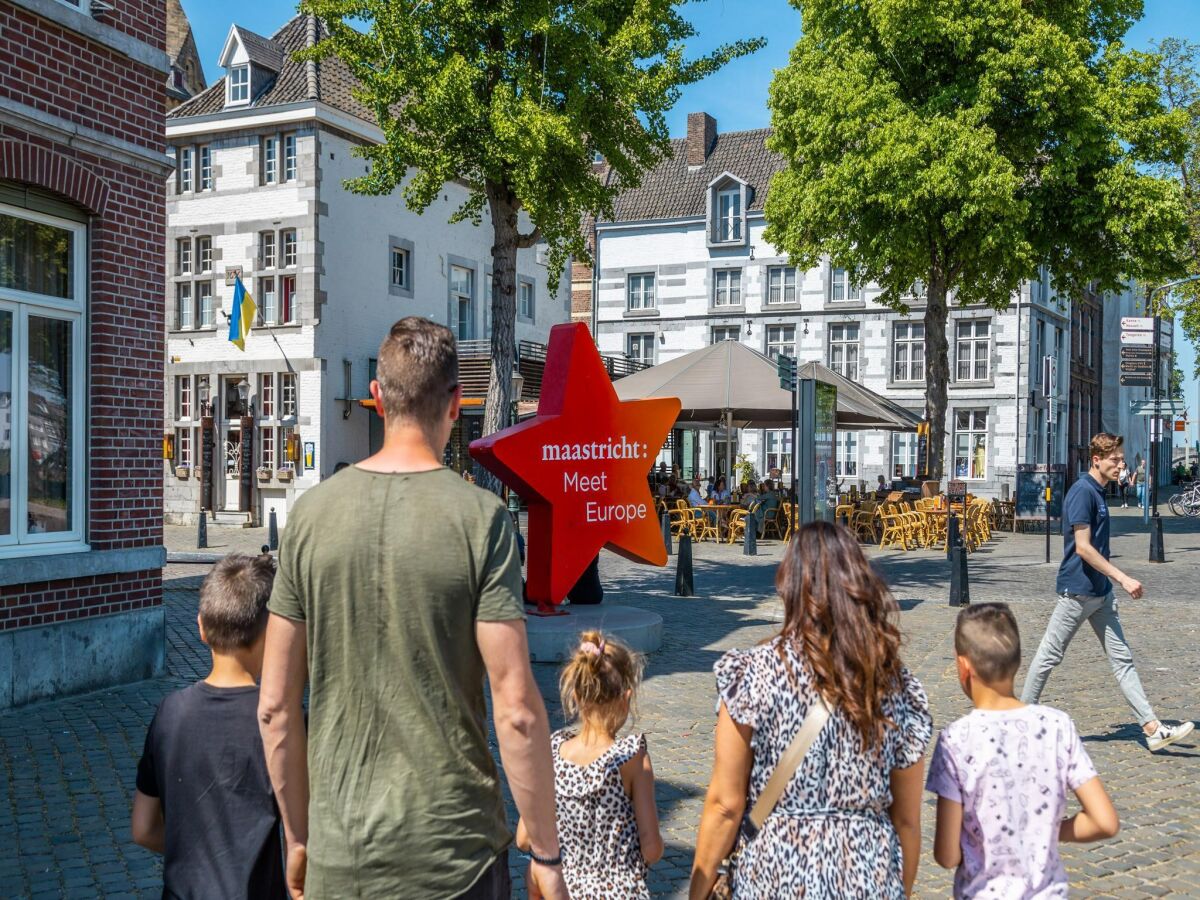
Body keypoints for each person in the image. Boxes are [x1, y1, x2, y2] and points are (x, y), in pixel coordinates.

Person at [258, 318, 567, 900]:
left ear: (377, 398)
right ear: (456, 403)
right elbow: (517, 708)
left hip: (341, 850)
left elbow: (275, 707)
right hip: (455, 853)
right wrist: (546, 852)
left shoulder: (309, 518)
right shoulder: (481, 520)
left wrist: (298, 838)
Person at [689, 522, 932, 899]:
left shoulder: (753, 674)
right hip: (866, 873)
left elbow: (725, 804)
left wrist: (698, 890)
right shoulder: (893, 685)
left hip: (776, 873)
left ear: (789, 585)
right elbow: (906, 819)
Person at [928, 604, 1119, 898]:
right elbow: (1104, 821)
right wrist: (1047, 831)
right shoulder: (1058, 726)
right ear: (1017, 662)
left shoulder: (956, 740)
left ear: (964, 666)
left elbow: (947, 855)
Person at [1021, 433, 1195, 753]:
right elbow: (1084, 549)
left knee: (1123, 660)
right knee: (1048, 656)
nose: (1120, 465)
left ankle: (1152, 728)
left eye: (1121, 459)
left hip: (1100, 594)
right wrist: (1123, 578)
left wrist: (1110, 585)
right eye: (1114, 460)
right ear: (1096, 460)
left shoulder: (1100, 492)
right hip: (1077, 592)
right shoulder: (1082, 492)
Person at [131, 553, 286, 899]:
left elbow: (143, 829)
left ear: (200, 627)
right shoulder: (282, 722)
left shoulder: (169, 714)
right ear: (272, 632)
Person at [517, 631, 662, 899]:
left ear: (576, 695)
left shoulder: (552, 752)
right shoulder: (631, 757)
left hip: (560, 889)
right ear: (626, 697)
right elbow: (651, 847)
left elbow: (524, 838)